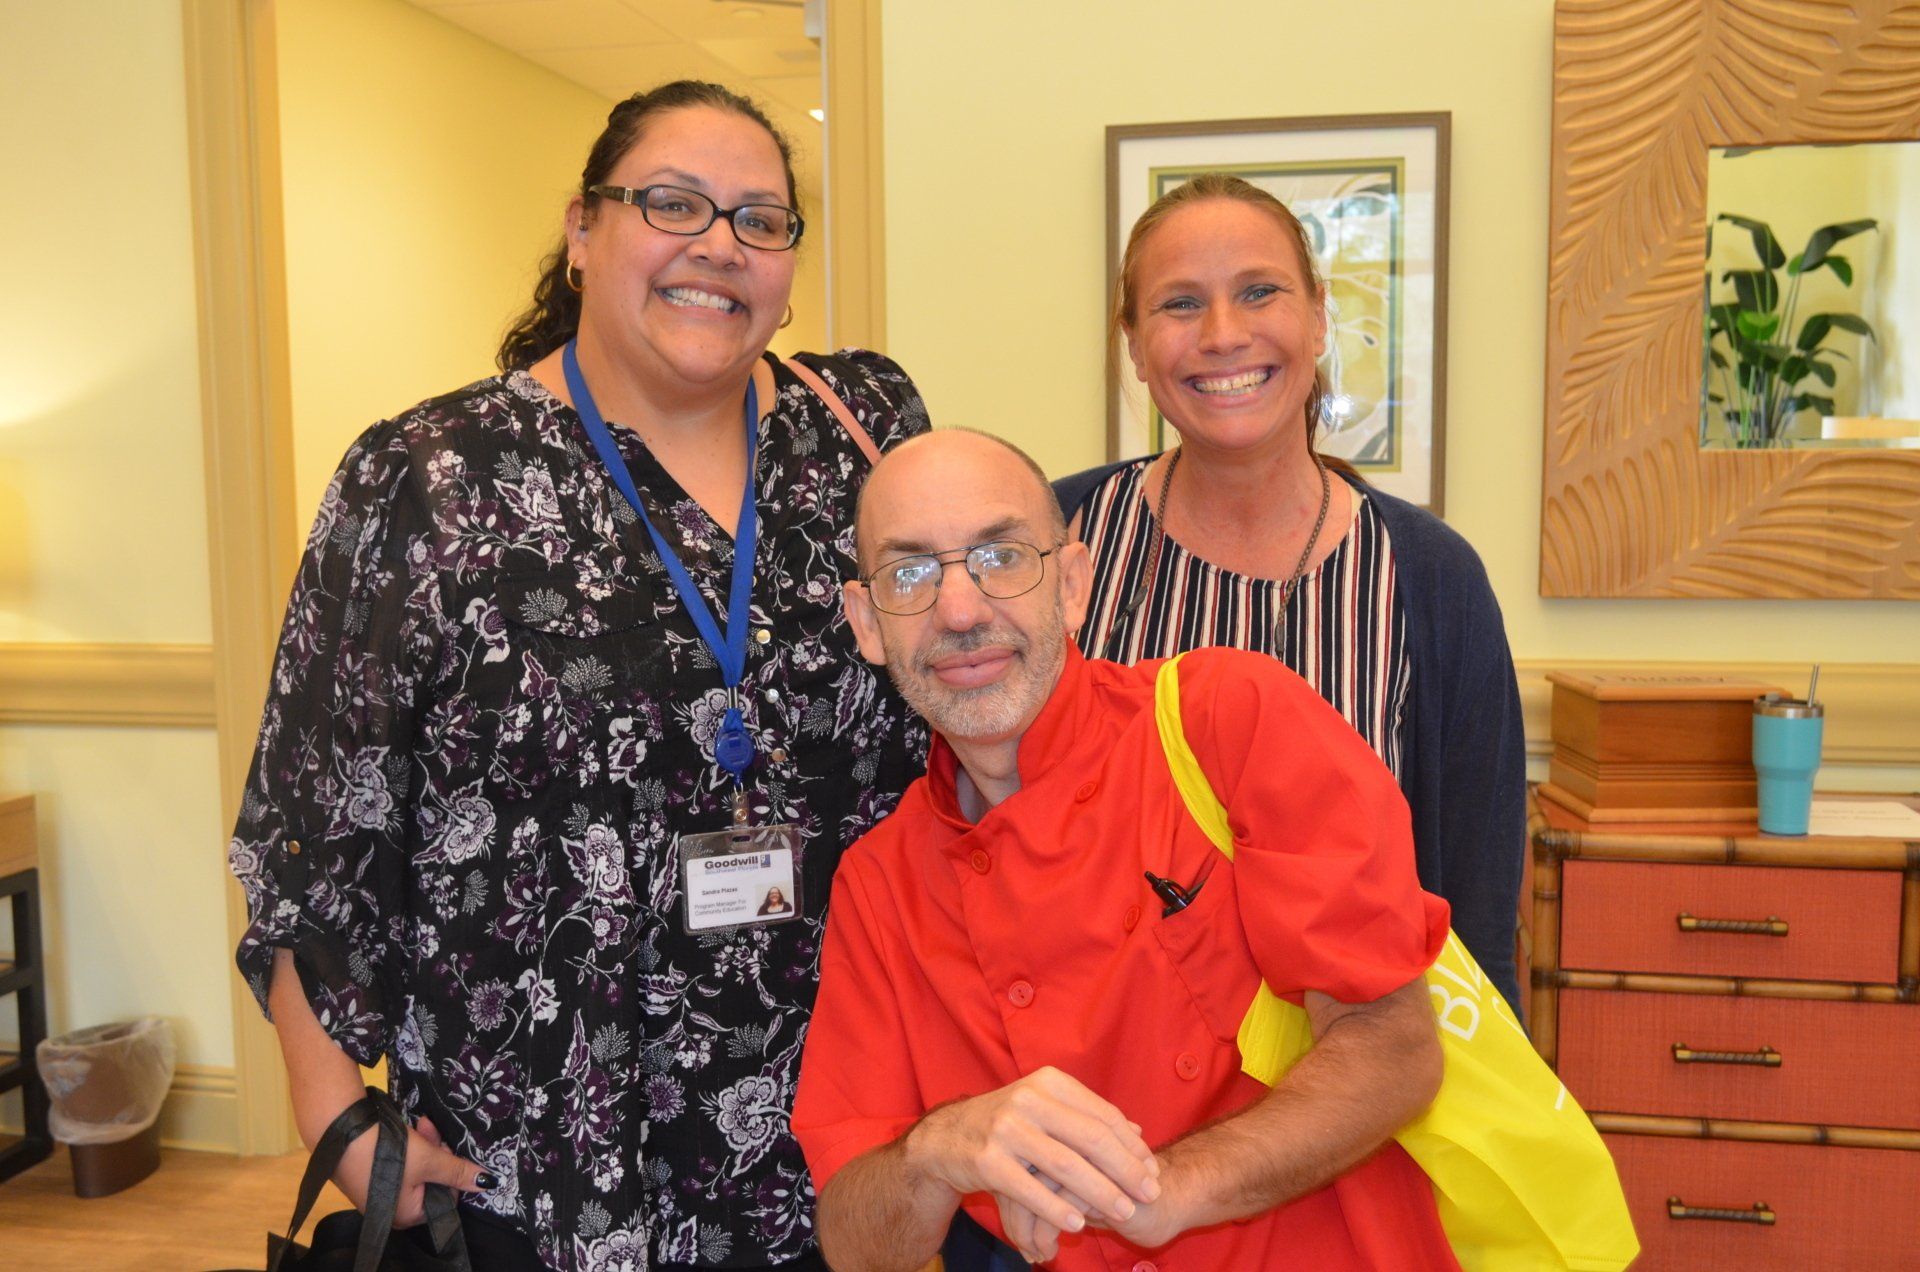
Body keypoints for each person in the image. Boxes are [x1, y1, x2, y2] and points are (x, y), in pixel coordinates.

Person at [228, 81, 930, 1271]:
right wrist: (333, 1110)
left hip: (841, 1133)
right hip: (541, 1157)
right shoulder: (429, 478)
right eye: (673, 204)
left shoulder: (859, 436)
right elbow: (316, 816)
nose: (720, 244)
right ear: (582, 231)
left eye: (760, 219)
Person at [793, 430, 1455, 1270]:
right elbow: (856, 1244)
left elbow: (1394, 1051)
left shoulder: (1229, 719)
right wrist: (940, 1148)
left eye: (1001, 557)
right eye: (911, 574)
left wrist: (1167, 1188)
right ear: (867, 624)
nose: (960, 611)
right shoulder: (880, 883)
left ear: (1072, 585)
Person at [1056, 173, 1526, 1013]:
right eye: (1180, 304)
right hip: (1093, 1059)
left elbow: (1478, 926)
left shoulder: (1431, 581)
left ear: (1317, 317)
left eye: (1259, 292)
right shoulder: (1059, 539)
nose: (1223, 334)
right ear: (1134, 344)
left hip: (1348, 1069)